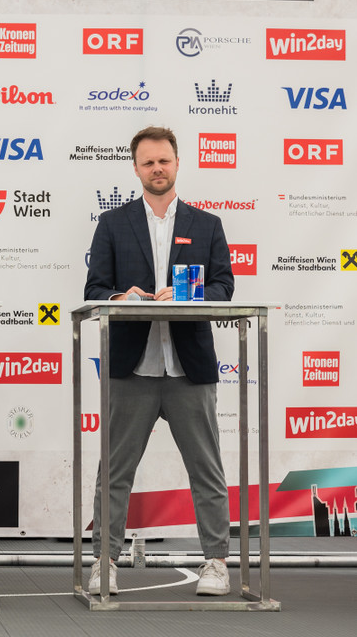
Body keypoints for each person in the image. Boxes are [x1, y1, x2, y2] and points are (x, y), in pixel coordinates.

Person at [84, 126, 235, 597]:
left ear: (177, 163)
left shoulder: (207, 224)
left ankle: (216, 562)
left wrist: (191, 295)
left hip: (190, 368)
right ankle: (105, 562)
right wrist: (120, 297)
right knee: (114, 472)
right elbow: (94, 289)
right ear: (136, 168)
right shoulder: (113, 223)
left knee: (206, 470)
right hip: (132, 368)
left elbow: (225, 287)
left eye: (164, 160)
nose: (157, 169)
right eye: (148, 162)